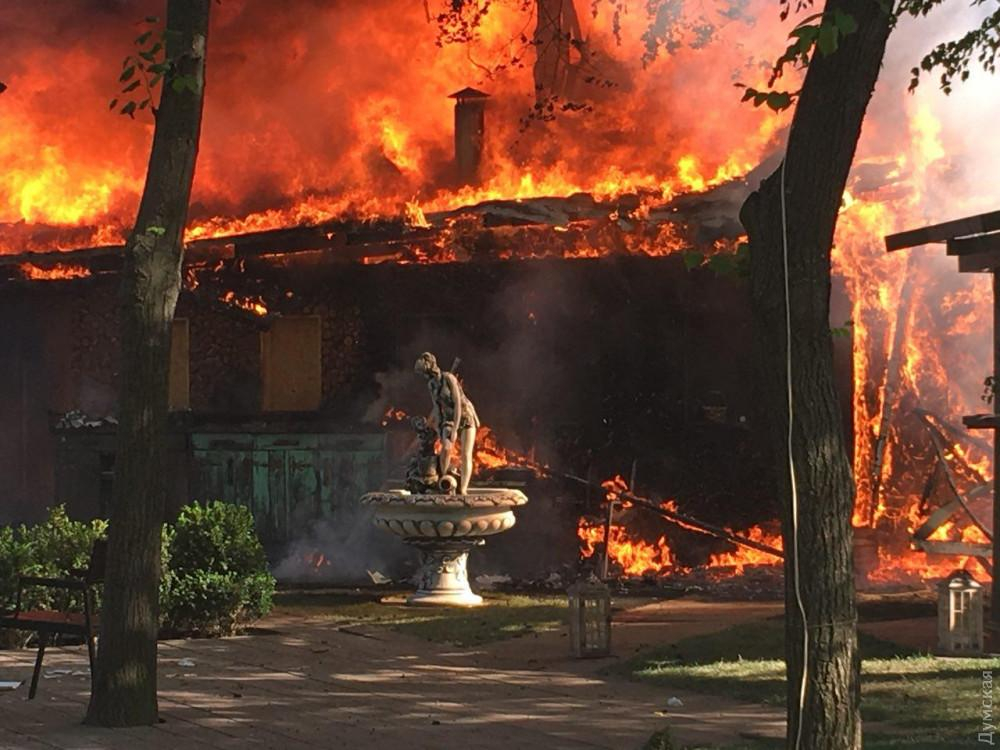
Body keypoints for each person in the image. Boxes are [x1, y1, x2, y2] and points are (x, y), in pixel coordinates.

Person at [414, 352, 480, 494]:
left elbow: (457, 403)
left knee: (466, 453)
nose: (424, 376)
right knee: (446, 448)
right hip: (448, 418)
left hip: (464, 415)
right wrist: (439, 428)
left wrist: (455, 429)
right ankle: (444, 481)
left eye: (424, 372)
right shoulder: (431, 385)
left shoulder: (449, 378)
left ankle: (463, 490)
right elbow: (437, 408)